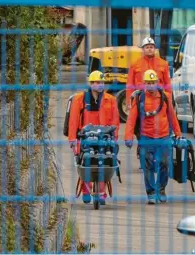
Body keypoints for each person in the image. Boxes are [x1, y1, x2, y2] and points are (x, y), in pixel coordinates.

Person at [124, 69, 182, 204]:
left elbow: (172, 116)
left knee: (165, 163)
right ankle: (150, 192)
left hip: (163, 136)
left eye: (153, 82)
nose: (150, 85)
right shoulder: (139, 98)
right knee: (147, 165)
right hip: (146, 137)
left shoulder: (165, 97)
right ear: (144, 83)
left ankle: (161, 189)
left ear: (157, 82)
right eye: (148, 82)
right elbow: (132, 119)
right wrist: (128, 137)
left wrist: (178, 133)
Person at [68, 70, 120, 205]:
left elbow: (115, 121)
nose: (100, 85)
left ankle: (101, 192)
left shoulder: (111, 100)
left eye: (102, 82)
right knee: (85, 163)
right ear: (90, 83)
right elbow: (73, 120)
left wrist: (114, 137)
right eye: (97, 82)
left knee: (104, 162)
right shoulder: (79, 99)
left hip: (104, 137)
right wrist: (72, 138)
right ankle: (86, 190)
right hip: (85, 137)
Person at [126, 37, 172, 109]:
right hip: (140, 100)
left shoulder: (163, 64)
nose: (150, 49)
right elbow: (130, 84)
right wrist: (129, 102)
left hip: (159, 100)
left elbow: (168, 84)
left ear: (155, 49)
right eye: (147, 47)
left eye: (151, 47)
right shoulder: (134, 65)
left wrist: (169, 101)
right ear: (143, 49)